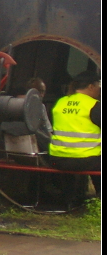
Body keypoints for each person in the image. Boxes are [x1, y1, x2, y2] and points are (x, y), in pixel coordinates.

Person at [49, 70, 101, 199]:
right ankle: (99, 198)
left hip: (58, 159)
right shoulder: (93, 105)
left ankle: (69, 199)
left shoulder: (60, 102)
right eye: (99, 86)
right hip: (85, 160)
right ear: (91, 86)